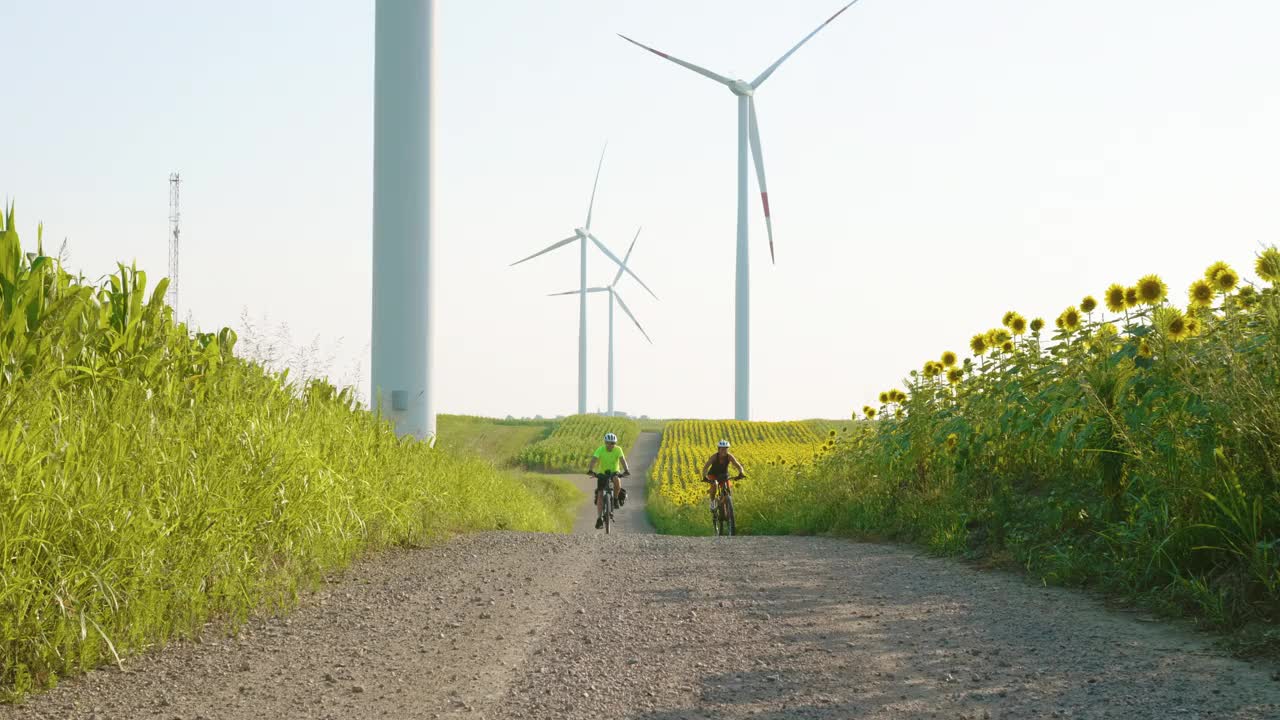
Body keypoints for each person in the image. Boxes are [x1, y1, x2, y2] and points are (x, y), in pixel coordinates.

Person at [586, 432, 631, 529]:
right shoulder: (600, 449)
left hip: (614, 472)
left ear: (615, 444)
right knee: (600, 495)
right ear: (605, 442)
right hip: (602, 473)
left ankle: (615, 499)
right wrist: (590, 470)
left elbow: (623, 460)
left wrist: (626, 470)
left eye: (612, 443)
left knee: (617, 480)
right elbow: (594, 460)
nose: (610, 445)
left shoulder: (618, 449)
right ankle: (599, 519)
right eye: (608, 443)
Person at [699, 439, 745, 515]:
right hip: (713, 474)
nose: (724, 450)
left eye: (726, 449)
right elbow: (706, 467)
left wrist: (741, 473)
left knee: (728, 489)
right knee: (715, 485)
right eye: (722, 449)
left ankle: (727, 503)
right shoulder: (714, 457)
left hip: (724, 475)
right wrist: (704, 477)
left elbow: (738, 465)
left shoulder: (729, 456)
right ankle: (712, 502)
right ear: (718, 449)